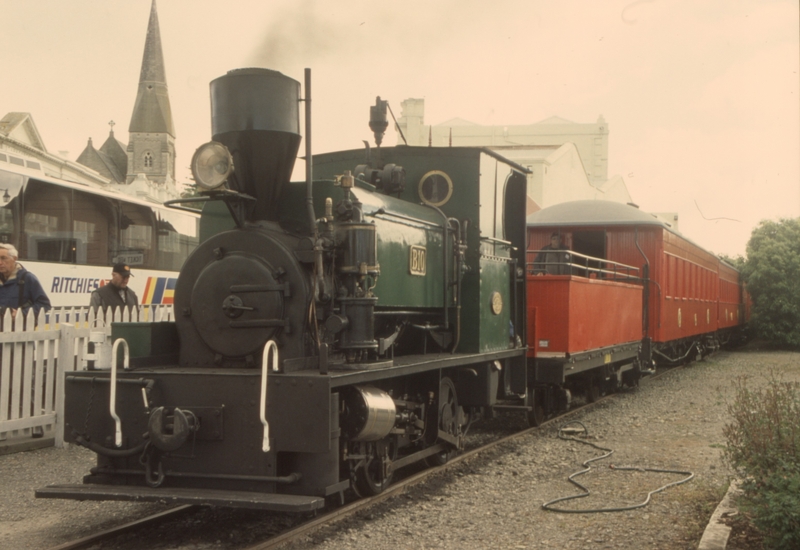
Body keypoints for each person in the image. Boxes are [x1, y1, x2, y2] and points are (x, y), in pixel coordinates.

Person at [0, 243, 51, 321]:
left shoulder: (27, 278)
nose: (0, 262)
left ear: (14, 258)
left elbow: (44, 305)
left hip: (20, 329)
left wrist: (21, 314)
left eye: (3, 258)